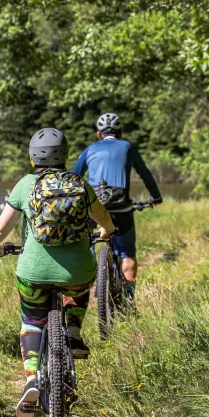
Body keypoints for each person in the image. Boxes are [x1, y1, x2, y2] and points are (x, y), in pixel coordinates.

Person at [0, 128, 115, 417]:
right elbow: (103, 218)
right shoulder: (80, 184)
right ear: (65, 154)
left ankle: (31, 378)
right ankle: (73, 332)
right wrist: (106, 231)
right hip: (77, 271)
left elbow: (0, 228)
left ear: (33, 157)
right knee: (79, 289)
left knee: (32, 321)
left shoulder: (25, 185)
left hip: (33, 272)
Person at [72, 113, 163, 303]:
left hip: (93, 210)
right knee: (128, 255)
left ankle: (83, 280)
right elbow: (145, 173)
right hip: (121, 210)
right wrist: (156, 196)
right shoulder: (127, 147)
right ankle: (129, 300)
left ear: (99, 134)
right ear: (120, 132)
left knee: (85, 243)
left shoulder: (90, 149)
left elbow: (74, 177)